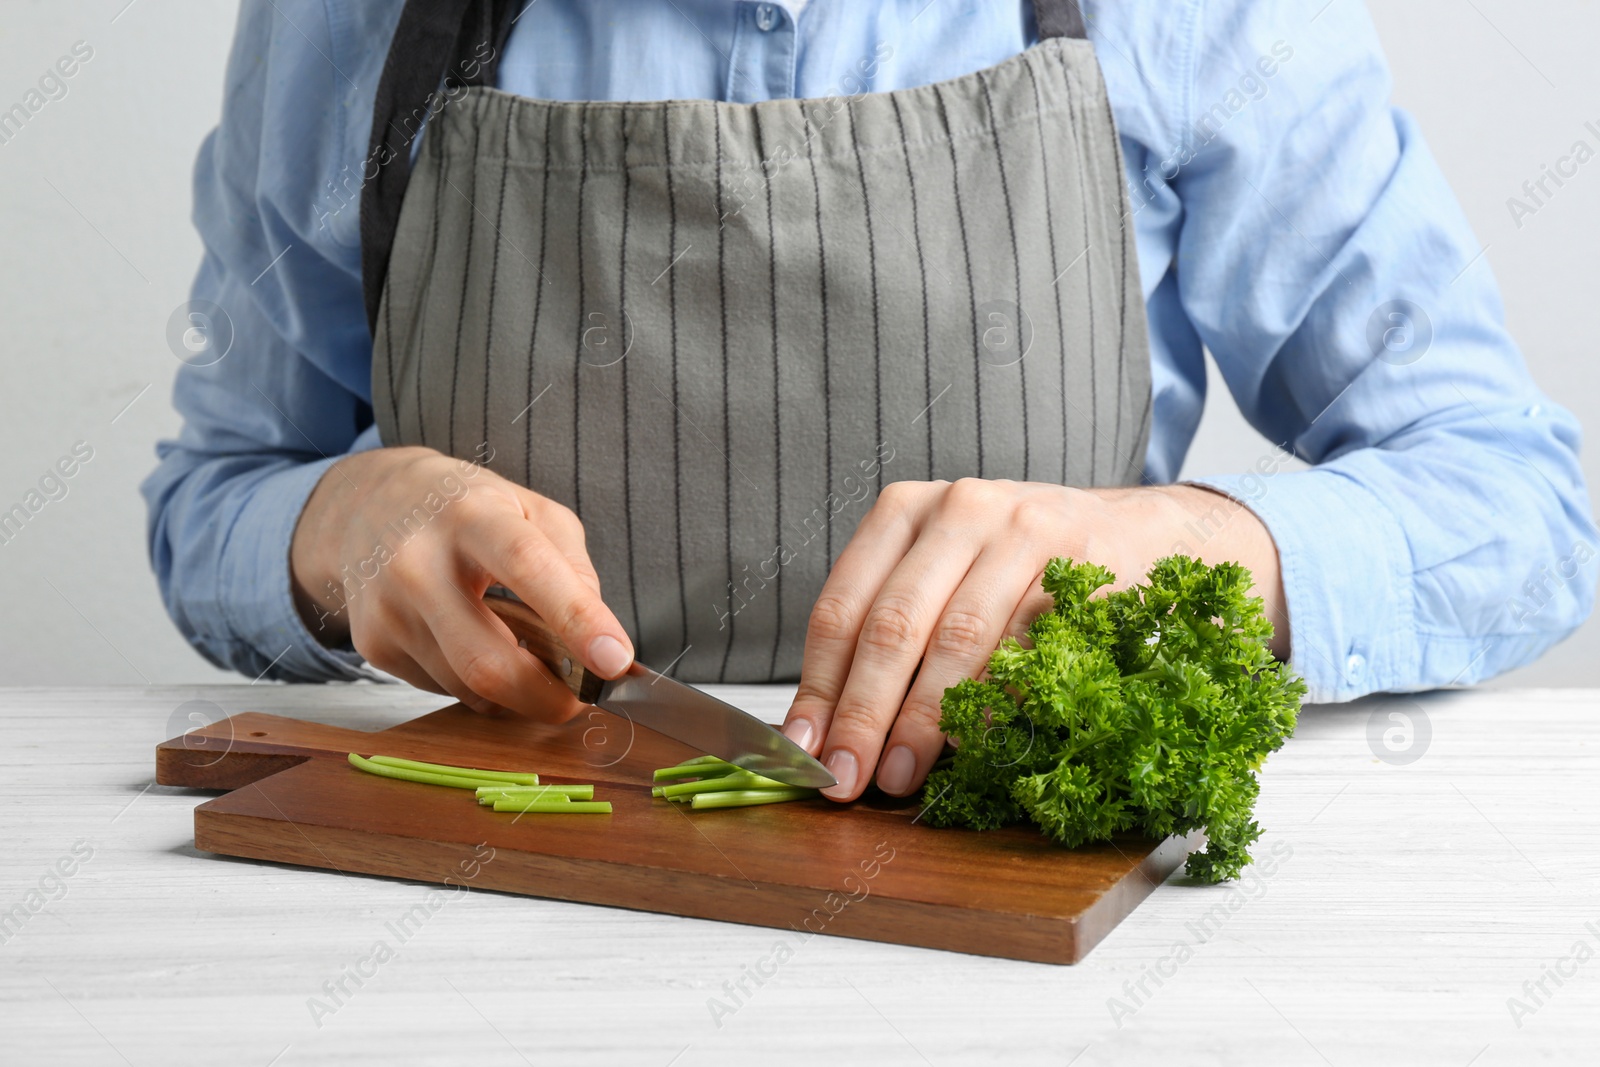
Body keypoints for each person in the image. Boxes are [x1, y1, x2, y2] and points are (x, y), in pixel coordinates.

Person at [142, 0, 1595, 804]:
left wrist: (1208, 550)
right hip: (496, 915)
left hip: (1018, 932)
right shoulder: (353, 25)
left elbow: (1523, 499)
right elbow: (218, 488)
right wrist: (336, 521)